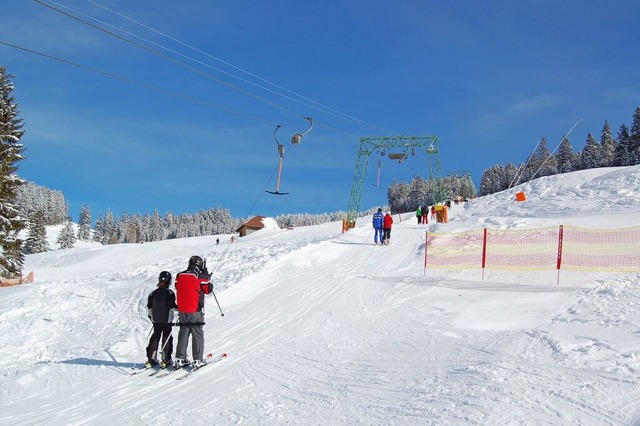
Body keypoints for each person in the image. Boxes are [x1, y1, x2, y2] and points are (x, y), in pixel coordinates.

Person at [173, 255, 214, 370]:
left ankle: (179, 359)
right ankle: (197, 359)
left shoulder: (179, 275)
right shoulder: (199, 276)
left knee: (184, 332)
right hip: (194, 310)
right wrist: (207, 276)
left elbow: (177, 286)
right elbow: (207, 289)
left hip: (182, 309)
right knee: (197, 333)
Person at [145, 271, 177, 368]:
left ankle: (151, 359)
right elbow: (172, 307)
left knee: (155, 337)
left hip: (156, 320)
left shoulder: (152, 293)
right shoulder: (170, 293)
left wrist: (152, 318)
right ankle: (165, 359)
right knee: (167, 337)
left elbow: (149, 307)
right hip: (166, 320)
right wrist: (180, 309)